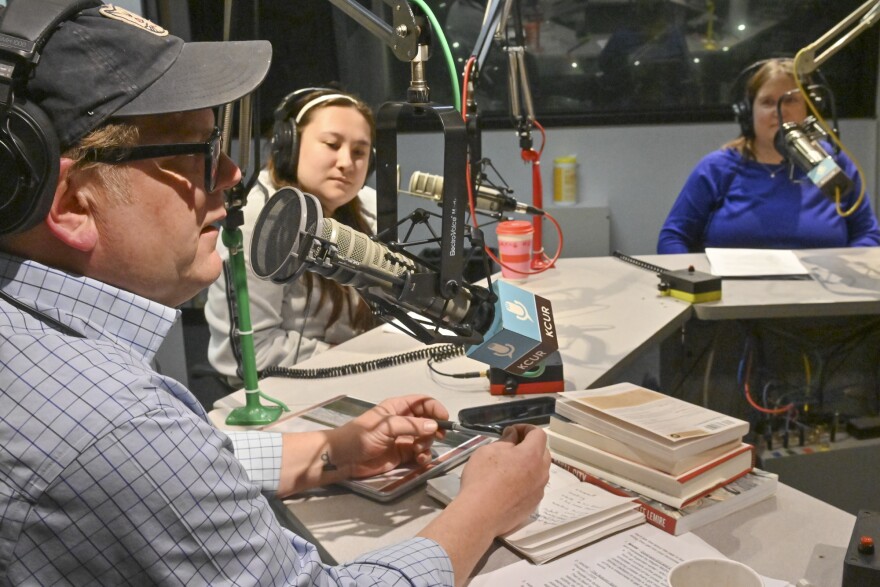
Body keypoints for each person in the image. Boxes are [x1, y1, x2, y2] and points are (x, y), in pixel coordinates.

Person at [0, 4, 550, 586]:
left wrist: (333, 452)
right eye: (198, 151)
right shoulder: (120, 424)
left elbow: (182, 463)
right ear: (71, 204)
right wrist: (484, 508)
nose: (231, 173)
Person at [205, 88, 378, 384]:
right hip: (283, 390)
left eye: (359, 152)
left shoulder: (371, 209)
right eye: (332, 144)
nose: (347, 163)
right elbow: (249, 355)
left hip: (359, 375)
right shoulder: (259, 220)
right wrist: (354, 360)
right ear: (289, 147)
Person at [657, 58, 880, 253]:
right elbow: (673, 237)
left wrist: (843, 277)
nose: (779, 111)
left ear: (809, 109)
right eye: (767, 102)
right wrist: (693, 277)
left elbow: (868, 234)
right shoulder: (718, 168)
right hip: (732, 296)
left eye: (790, 100)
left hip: (819, 294)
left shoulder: (830, 163)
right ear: (747, 112)